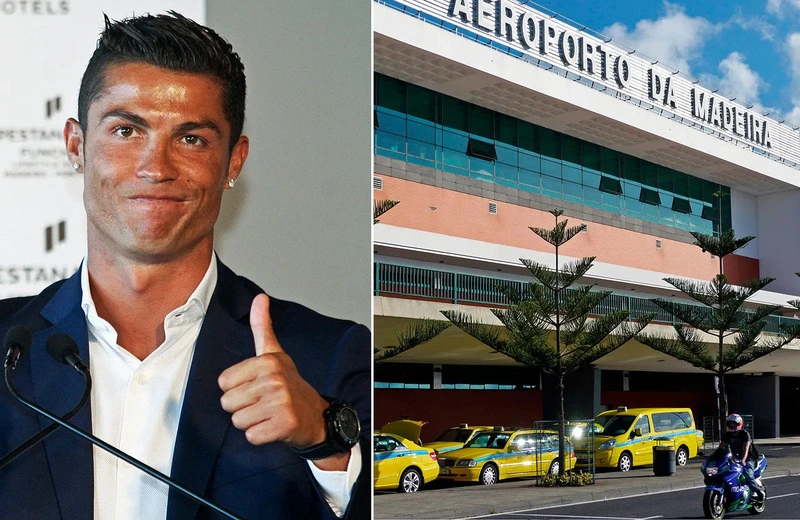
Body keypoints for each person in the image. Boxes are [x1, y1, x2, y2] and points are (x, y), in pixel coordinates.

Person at [0, 11, 370, 520]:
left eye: (191, 139)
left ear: (233, 162)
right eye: (127, 131)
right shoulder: (5, 352)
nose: (157, 167)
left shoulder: (329, 357)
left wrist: (326, 444)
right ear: (76, 146)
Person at [719, 413, 763, 501]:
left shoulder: (744, 434)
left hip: (749, 458)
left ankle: (757, 492)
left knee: (747, 473)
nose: (732, 425)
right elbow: (721, 447)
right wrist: (713, 457)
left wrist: (743, 460)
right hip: (735, 458)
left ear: (739, 424)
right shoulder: (727, 435)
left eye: (734, 423)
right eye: (730, 423)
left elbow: (746, 448)